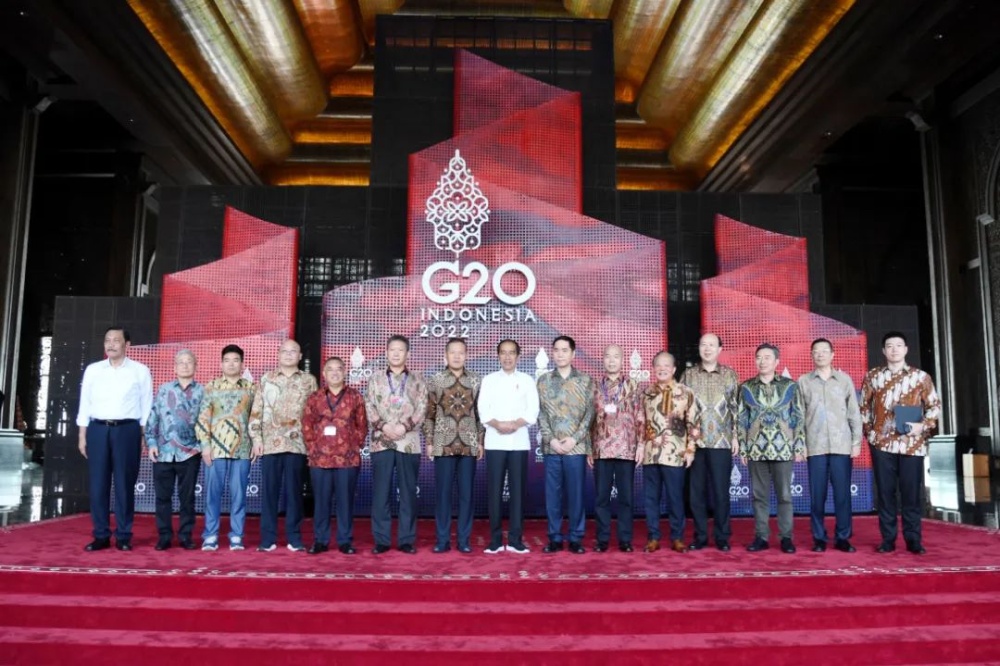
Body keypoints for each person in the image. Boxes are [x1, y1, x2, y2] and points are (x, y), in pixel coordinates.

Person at [860, 331, 941, 555]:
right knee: (885, 494)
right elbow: (864, 407)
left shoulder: (920, 377)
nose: (894, 349)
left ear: (906, 349)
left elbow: (934, 406)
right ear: (883, 351)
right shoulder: (873, 376)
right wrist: (870, 433)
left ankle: (913, 539)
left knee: (911, 494)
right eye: (889, 346)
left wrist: (922, 426)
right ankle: (888, 539)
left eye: (898, 345)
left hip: (911, 445)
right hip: (882, 445)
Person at [76, 325, 153, 552]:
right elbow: (85, 403)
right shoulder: (93, 370)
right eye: (107, 340)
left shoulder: (140, 370)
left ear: (127, 345)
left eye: (116, 340)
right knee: (98, 485)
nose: (110, 344)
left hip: (127, 430)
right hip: (98, 430)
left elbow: (146, 405)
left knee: (124, 485)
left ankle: (123, 535)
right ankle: (100, 535)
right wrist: (82, 435)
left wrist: (143, 435)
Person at [249, 339, 318, 553]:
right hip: (270, 444)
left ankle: (294, 538)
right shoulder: (267, 378)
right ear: (278, 355)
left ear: (300, 356)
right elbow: (257, 410)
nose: (289, 354)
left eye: (293, 351)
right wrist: (256, 439)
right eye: (285, 351)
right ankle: (268, 539)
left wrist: (313, 443)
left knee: (295, 493)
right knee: (269, 493)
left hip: (297, 445)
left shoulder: (308, 380)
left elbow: (315, 414)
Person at [737, 343, 805, 554]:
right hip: (756, 449)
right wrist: (743, 448)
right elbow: (742, 419)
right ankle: (761, 536)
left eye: (767, 357)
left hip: (783, 449)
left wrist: (799, 445)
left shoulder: (790, 386)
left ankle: (786, 537)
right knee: (759, 496)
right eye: (759, 357)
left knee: (785, 495)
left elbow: (798, 416)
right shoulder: (746, 387)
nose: (762, 361)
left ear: (777, 362)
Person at [798, 338, 863, 553]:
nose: (820, 354)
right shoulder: (804, 381)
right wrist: (800, 444)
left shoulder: (844, 380)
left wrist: (856, 442)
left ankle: (843, 537)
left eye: (824, 351)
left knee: (842, 495)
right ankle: (819, 537)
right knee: (817, 496)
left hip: (841, 446)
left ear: (833, 354)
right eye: (816, 351)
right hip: (815, 446)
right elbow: (798, 415)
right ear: (811, 355)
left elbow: (854, 413)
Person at [365, 335, 428, 554]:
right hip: (381, 443)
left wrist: (404, 427)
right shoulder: (375, 379)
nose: (396, 353)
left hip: (408, 442)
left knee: (408, 493)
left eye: (400, 350)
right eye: (392, 349)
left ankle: (406, 539)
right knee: (381, 493)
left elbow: (423, 407)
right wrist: (383, 426)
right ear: (386, 353)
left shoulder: (418, 379)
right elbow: (369, 406)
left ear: (407, 354)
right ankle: (381, 540)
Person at [301, 356, 368, 554]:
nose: (335, 373)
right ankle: (320, 541)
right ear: (324, 374)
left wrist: (353, 445)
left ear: (345, 372)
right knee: (321, 502)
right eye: (330, 369)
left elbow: (362, 425)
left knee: (345, 502)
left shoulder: (355, 396)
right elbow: (307, 424)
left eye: (339, 369)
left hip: (347, 459)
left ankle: (345, 541)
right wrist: (313, 448)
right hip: (320, 459)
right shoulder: (314, 397)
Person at [478, 339, 539, 554]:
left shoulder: (527, 380)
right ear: (498, 356)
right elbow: (483, 409)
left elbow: (533, 410)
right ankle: (495, 540)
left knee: (518, 492)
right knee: (494, 492)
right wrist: (498, 424)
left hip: (519, 441)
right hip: (494, 441)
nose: (507, 357)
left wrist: (515, 424)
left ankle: (515, 540)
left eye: (511, 353)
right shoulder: (489, 380)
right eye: (503, 353)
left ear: (518, 356)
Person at [424, 338, 484, 554]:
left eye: (461, 352)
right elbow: (429, 414)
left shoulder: (476, 380)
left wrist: (480, 441)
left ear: (466, 355)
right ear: (445, 355)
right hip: (443, 444)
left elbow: (480, 414)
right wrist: (429, 441)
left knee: (467, 496)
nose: (457, 356)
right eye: (453, 352)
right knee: (443, 495)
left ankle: (464, 540)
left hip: (469, 444)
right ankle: (442, 540)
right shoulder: (436, 380)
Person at [680, 333, 739, 552]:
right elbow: (681, 409)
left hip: (722, 442)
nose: (707, 349)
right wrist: (685, 441)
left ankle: (722, 536)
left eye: (711, 345)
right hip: (696, 443)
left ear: (720, 349)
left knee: (721, 493)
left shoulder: (729, 375)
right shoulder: (688, 375)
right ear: (699, 348)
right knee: (696, 493)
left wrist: (735, 436)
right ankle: (701, 536)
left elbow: (736, 408)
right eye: (703, 344)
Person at [638, 351, 701, 553]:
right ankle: (653, 537)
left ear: (674, 369)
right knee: (651, 499)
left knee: (675, 498)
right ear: (653, 368)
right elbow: (641, 423)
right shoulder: (646, 393)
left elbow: (693, 423)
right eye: (658, 365)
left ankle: (677, 537)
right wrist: (640, 446)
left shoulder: (686, 392)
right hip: (651, 454)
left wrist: (690, 449)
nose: (662, 368)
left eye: (666, 365)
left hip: (675, 455)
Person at [196, 344, 256, 551]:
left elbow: (256, 418)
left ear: (242, 364)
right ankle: (210, 535)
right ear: (221, 363)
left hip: (242, 449)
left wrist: (256, 441)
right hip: (215, 449)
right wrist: (205, 446)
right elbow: (203, 418)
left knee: (239, 495)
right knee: (212, 494)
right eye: (227, 360)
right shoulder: (211, 387)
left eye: (236, 360)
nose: (231, 364)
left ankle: (236, 535)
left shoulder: (251, 388)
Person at [538, 335, 594, 554]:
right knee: (553, 496)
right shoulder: (543, 381)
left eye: (564, 350)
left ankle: (576, 538)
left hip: (575, 448)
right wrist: (551, 439)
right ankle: (554, 537)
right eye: (556, 350)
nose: (560, 354)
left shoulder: (585, 381)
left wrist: (574, 439)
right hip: (552, 447)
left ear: (573, 353)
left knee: (576, 495)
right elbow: (540, 414)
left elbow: (589, 414)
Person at [145, 349, 204, 551]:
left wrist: (202, 447)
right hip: (163, 452)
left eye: (189, 362)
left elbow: (206, 422)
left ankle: (186, 535)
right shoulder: (164, 390)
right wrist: (151, 443)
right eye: (181, 362)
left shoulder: (202, 392)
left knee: (187, 498)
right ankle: (164, 536)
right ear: (174, 367)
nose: (185, 365)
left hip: (190, 452)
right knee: (163, 497)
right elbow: (153, 418)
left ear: (196, 367)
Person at [589, 344, 642, 553]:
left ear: (622, 360)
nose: (611, 360)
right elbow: (588, 419)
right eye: (608, 356)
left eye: (616, 357)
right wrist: (588, 448)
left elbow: (640, 416)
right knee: (601, 498)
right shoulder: (595, 386)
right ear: (603, 360)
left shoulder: (633, 385)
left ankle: (625, 539)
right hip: (601, 448)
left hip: (626, 448)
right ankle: (602, 539)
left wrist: (641, 445)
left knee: (626, 498)